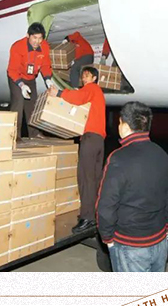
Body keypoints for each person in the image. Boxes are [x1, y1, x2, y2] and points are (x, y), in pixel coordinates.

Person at [96, 102, 168, 272]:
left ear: (125, 126)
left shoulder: (118, 159)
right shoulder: (162, 155)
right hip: (159, 241)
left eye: (119, 123)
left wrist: (107, 238)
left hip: (130, 245)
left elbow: (106, 205)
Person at [48, 66, 106, 233]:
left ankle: (87, 218)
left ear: (94, 78)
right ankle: (93, 214)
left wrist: (59, 93)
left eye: (87, 75)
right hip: (99, 140)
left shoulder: (92, 89)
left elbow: (78, 97)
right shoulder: (97, 94)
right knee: (94, 179)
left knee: (85, 178)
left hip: (90, 138)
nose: (84, 78)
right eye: (83, 76)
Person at [7, 22, 54, 139]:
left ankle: (34, 133)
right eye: (34, 38)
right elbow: (12, 70)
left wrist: (47, 79)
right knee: (18, 103)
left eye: (40, 38)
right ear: (28, 35)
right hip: (17, 78)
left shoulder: (44, 46)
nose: (37, 41)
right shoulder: (17, 47)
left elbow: (45, 65)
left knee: (32, 104)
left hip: (31, 78)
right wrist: (21, 85)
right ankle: (14, 135)